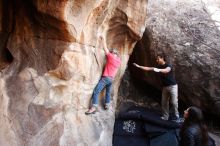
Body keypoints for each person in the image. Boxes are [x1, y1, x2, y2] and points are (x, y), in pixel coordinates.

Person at [133, 53, 179, 121]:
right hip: (165, 87)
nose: (157, 60)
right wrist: (139, 66)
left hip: (173, 86)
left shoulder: (168, 65)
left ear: (162, 58)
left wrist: (157, 70)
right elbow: (148, 68)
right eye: (156, 59)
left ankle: (176, 116)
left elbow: (166, 70)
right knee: (164, 102)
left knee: (174, 102)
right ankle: (165, 116)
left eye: (158, 59)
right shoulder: (158, 66)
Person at [85, 36, 121, 115]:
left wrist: (103, 39)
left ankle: (93, 107)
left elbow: (105, 49)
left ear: (113, 53)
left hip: (106, 78)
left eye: (112, 52)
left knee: (96, 91)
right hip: (111, 79)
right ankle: (107, 104)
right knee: (107, 91)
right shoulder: (119, 61)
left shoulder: (111, 57)